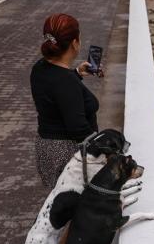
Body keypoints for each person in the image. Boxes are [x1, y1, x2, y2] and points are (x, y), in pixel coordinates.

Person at [30, 14, 103, 189]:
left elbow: (55, 90)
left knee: (59, 197)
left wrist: (76, 73)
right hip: (67, 153)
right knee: (75, 202)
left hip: (47, 149)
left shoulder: (39, 67)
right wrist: (105, 150)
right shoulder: (66, 81)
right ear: (75, 43)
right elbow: (78, 128)